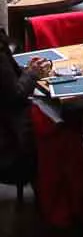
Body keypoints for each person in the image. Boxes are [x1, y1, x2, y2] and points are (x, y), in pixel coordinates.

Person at [0, 30, 50, 187]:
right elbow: (16, 95)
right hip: (10, 141)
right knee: (62, 124)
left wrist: (27, 72)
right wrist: (32, 73)